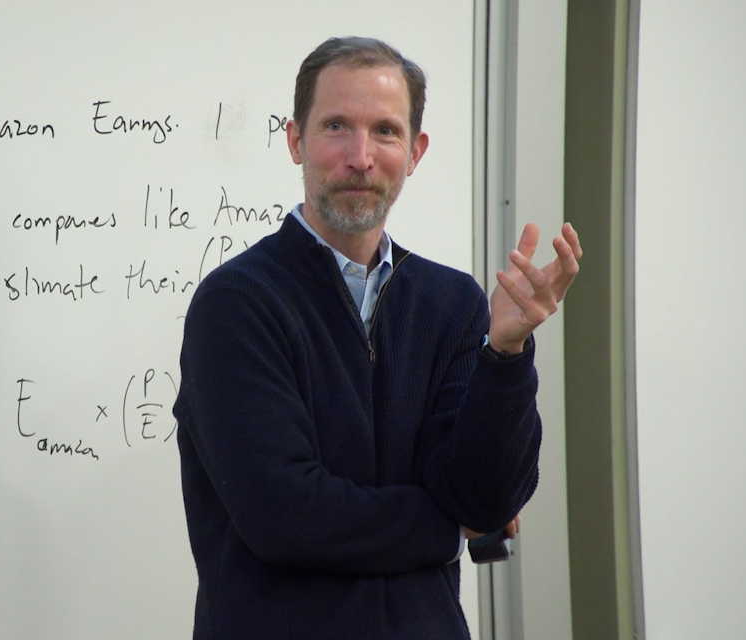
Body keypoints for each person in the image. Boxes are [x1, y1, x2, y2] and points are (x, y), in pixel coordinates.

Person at [173, 36, 582, 640]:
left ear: (415, 151)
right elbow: (287, 516)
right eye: (336, 126)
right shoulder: (237, 304)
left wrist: (506, 353)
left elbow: (486, 499)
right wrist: (446, 527)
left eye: (385, 131)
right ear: (296, 141)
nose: (361, 157)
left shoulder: (453, 303)